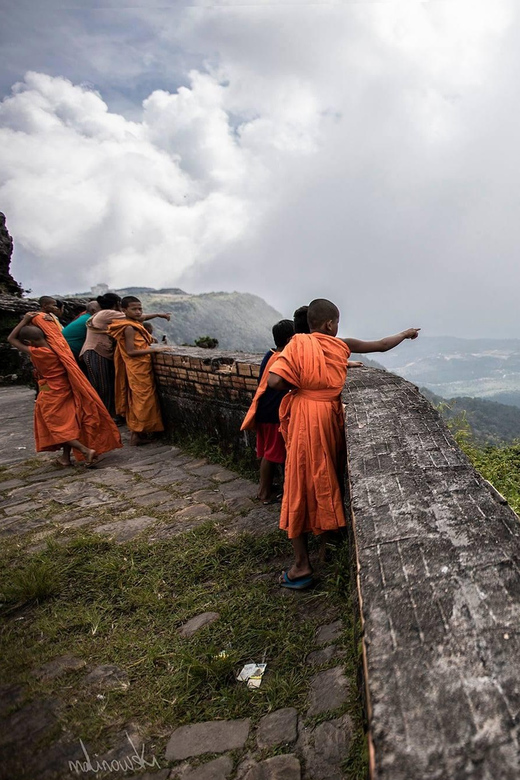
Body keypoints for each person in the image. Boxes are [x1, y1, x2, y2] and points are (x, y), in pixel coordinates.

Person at [268, 298, 420, 590]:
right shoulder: (339, 345)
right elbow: (381, 345)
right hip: (326, 416)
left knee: (301, 480)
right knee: (322, 476)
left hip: (305, 415)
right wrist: (404, 334)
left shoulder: (298, 346)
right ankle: (312, 557)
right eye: (336, 322)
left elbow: (276, 381)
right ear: (330, 324)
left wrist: (303, 385)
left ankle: (303, 563)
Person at [7, 312, 122, 466]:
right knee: (67, 424)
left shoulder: (39, 352)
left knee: (55, 425)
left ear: (29, 341)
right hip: (66, 387)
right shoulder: (59, 347)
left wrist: (26, 320)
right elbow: (55, 331)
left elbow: (11, 339)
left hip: (51, 391)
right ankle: (65, 458)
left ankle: (86, 450)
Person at [241, 319, 295, 503]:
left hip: (263, 411)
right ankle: (264, 493)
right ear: (290, 339)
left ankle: (266, 489)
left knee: (267, 453)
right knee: (272, 454)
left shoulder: (269, 354)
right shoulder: (281, 360)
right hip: (273, 414)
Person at [108, 296, 166, 446]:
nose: (139, 312)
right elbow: (131, 351)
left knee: (139, 399)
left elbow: (144, 316)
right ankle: (138, 432)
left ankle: (137, 435)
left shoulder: (133, 322)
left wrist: (160, 315)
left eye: (140, 308)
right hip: (137, 367)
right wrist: (155, 350)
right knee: (143, 399)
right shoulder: (128, 327)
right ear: (124, 310)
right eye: (134, 309)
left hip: (140, 367)